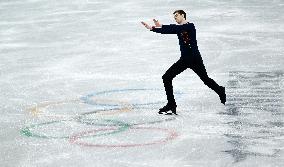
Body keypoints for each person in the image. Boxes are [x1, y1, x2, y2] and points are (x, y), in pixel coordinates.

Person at [141, 10, 226, 115]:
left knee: (206, 80)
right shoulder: (178, 28)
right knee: (166, 77)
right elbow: (171, 29)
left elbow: (175, 28)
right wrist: (154, 28)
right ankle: (171, 104)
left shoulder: (190, 26)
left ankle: (220, 90)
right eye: (174, 17)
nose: (175, 18)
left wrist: (158, 26)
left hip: (195, 59)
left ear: (182, 15)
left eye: (176, 16)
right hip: (185, 60)